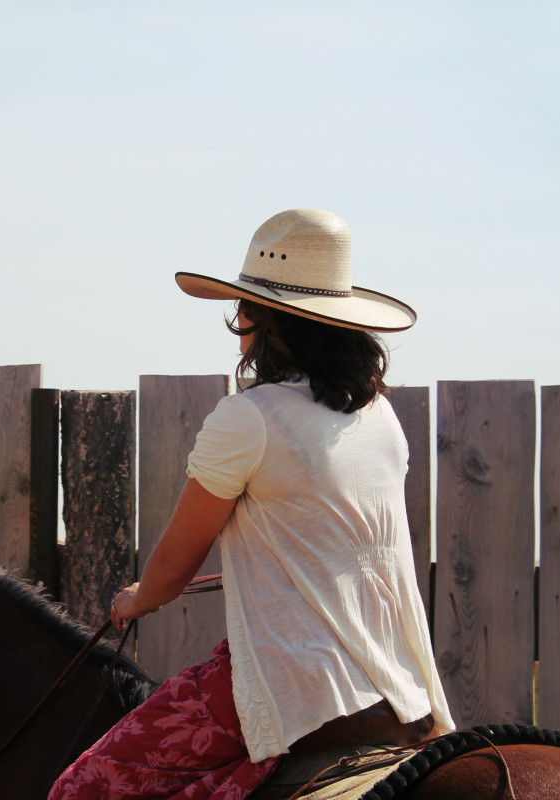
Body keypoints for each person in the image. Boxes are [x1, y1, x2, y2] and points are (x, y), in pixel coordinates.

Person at [49, 209, 455, 800]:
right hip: (396, 684)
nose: (238, 329)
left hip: (294, 681)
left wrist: (134, 600)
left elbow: (172, 569)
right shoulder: (378, 415)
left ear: (271, 324)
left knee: (79, 789)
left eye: (243, 314)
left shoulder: (249, 417)